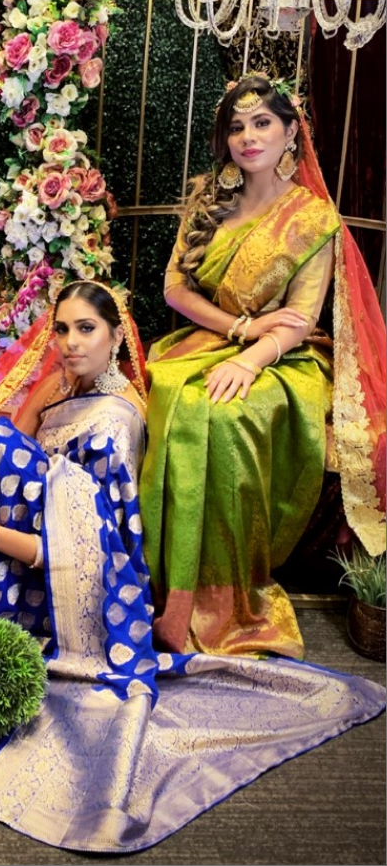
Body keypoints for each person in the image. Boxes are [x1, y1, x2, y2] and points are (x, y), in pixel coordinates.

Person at [0, 277, 384, 854]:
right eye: (60, 329)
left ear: (117, 337)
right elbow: (28, 450)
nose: (68, 342)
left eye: (86, 329)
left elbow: (97, 558)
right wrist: (39, 399)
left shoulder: (111, 426)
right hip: (21, 559)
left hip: (67, 603)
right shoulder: (73, 391)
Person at [139, 74, 386, 658]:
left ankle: (227, 597)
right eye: (236, 126)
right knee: (174, 393)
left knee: (224, 416)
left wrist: (251, 359)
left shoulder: (312, 218)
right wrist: (239, 328)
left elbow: (299, 320)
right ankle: (160, 583)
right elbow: (176, 288)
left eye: (262, 123)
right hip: (211, 337)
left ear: (290, 132)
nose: (248, 137)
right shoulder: (207, 198)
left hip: (284, 360)